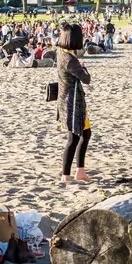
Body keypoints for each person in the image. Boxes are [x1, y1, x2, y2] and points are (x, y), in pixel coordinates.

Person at [57, 23, 92, 183]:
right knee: (74, 138)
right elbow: (87, 79)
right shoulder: (70, 60)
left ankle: (80, 171)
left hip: (72, 99)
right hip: (71, 102)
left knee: (85, 133)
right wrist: (84, 68)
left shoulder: (62, 52)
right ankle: (66, 174)